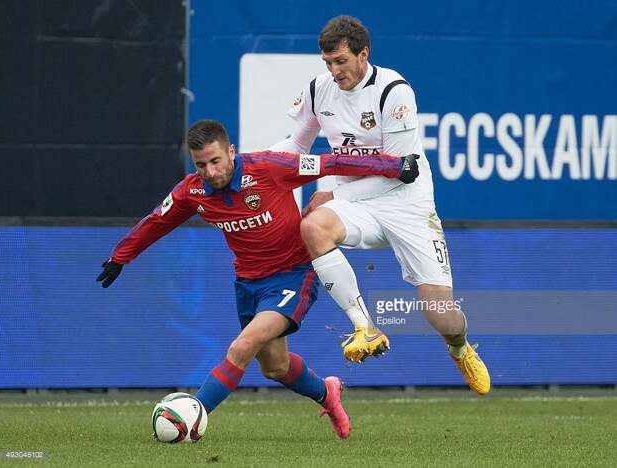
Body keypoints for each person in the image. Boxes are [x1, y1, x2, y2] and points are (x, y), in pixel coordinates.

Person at [96, 119, 421, 438]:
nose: (210, 172)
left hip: (292, 276)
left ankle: (192, 416)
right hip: (248, 284)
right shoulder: (192, 191)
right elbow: (158, 221)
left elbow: (330, 162)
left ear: (231, 152)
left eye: (215, 161)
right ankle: (327, 392)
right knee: (275, 368)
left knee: (242, 347)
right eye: (201, 165)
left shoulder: (269, 167)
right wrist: (120, 257)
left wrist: (394, 166)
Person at [270, 16, 490, 394]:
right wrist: (254, 166)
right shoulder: (319, 90)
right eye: (327, 63)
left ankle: (460, 348)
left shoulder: (394, 91)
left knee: (441, 315)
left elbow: (398, 171)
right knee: (314, 226)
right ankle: (364, 326)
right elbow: (296, 146)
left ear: (363, 54)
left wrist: (332, 195)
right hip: (358, 205)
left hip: (407, 204)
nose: (334, 71)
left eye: (340, 61)